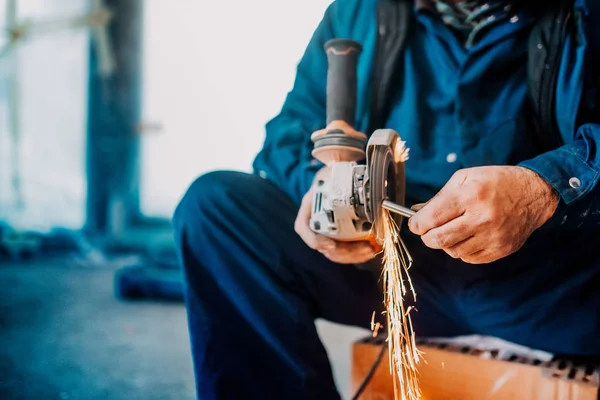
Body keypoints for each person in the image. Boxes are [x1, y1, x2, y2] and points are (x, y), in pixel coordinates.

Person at [173, 0, 600, 399]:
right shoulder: (357, 10)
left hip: (549, 284)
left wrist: (541, 189)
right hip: (383, 268)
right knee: (217, 208)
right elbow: (287, 132)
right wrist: (323, 187)